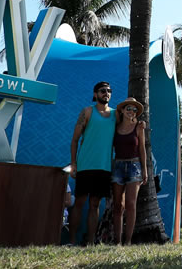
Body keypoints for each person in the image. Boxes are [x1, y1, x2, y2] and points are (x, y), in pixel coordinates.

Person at [68, 82, 117, 245]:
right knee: (79, 203)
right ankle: (72, 241)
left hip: (104, 167)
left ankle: (90, 242)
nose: (106, 93)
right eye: (103, 91)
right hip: (85, 165)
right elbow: (75, 140)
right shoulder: (88, 112)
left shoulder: (116, 114)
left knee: (95, 204)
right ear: (95, 94)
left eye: (109, 91)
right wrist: (74, 163)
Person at [107, 97, 148, 245]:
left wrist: (144, 170)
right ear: (123, 110)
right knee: (118, 205)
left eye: (134, 109)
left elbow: (142, 149)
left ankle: (128, 241)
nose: (131, 111)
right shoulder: (115, 127)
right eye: (128, 108)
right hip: (118, 166)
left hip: (134, 167)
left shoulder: (139, 127)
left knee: (131, 204)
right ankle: (117, 241)